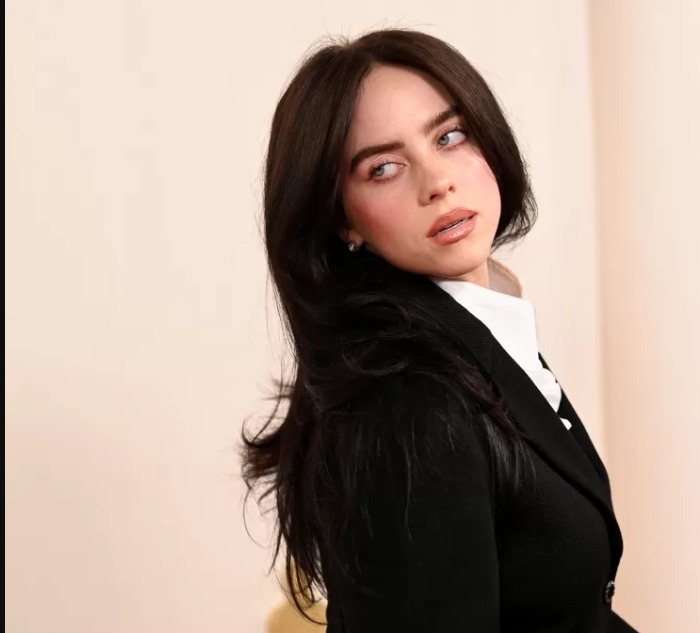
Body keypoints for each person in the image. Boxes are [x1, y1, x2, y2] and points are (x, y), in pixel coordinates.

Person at [242, 28, 637, 632]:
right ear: (343, 220)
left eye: (450, 136)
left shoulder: (470, 335)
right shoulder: (409, 404)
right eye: (384, 168)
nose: (437, 182)